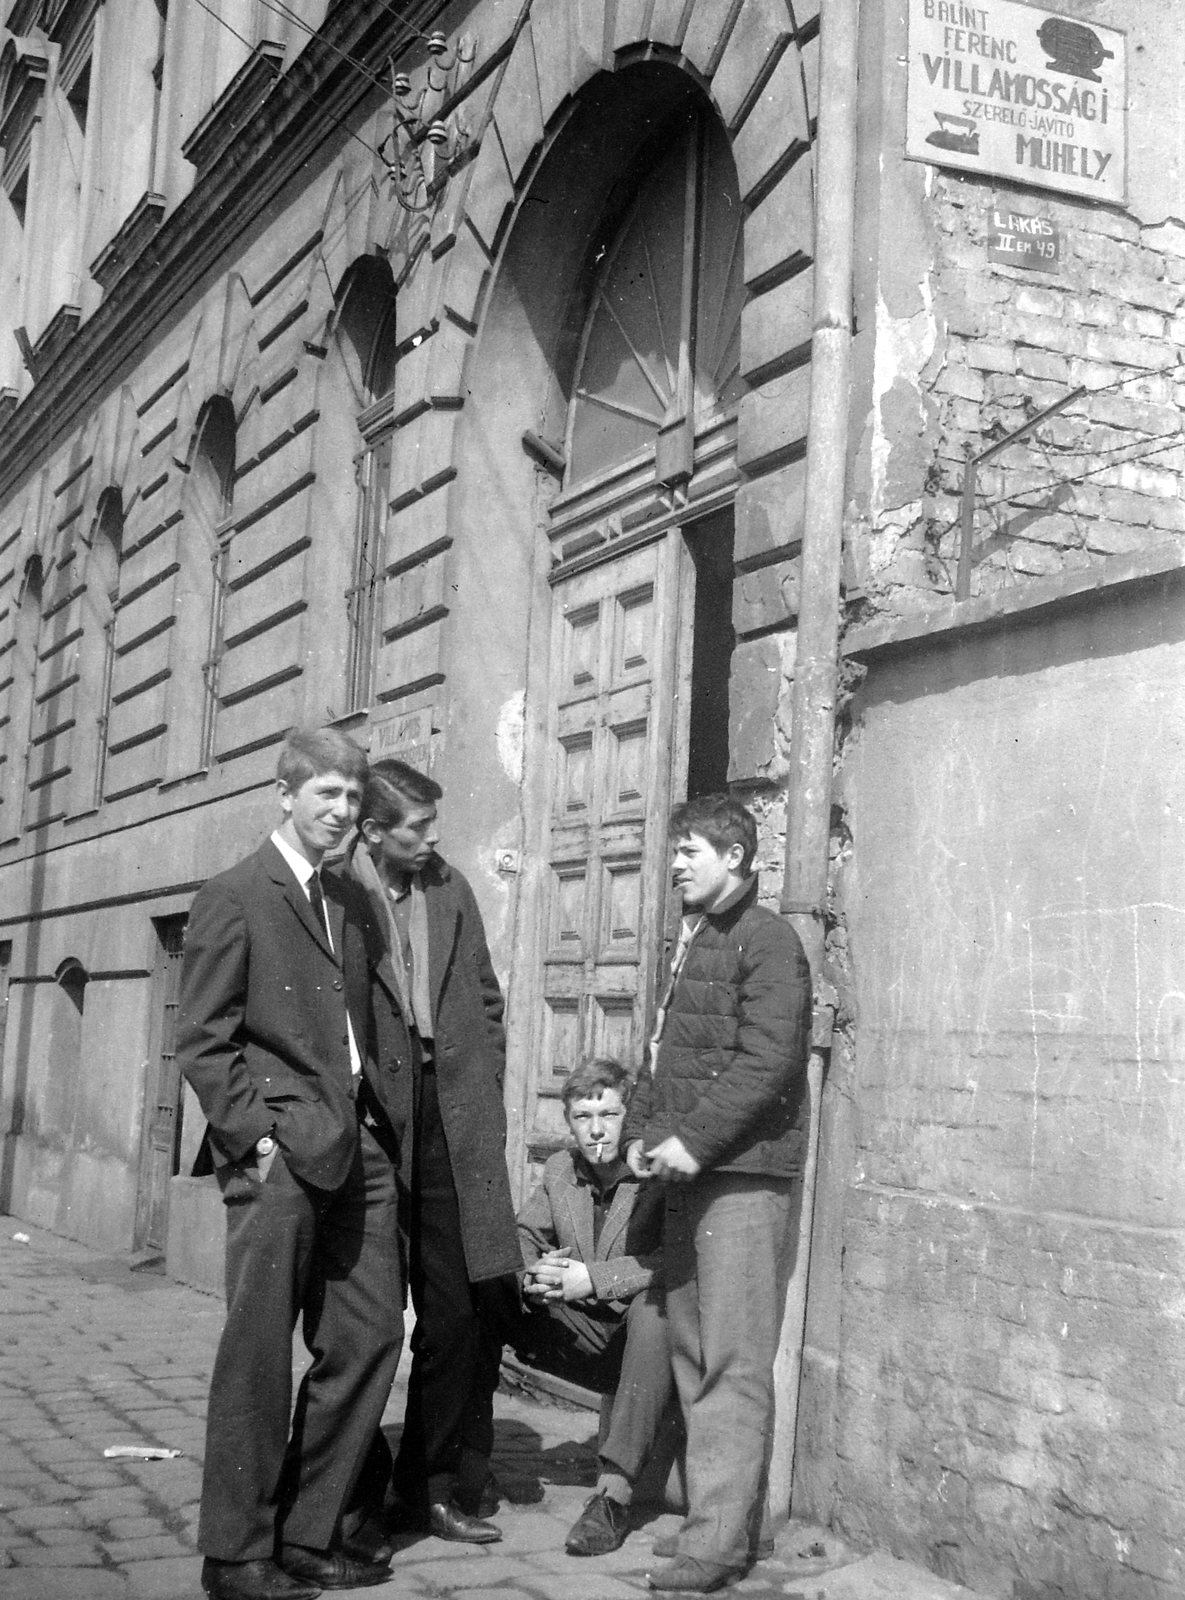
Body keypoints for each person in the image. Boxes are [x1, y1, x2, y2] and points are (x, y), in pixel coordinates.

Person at [178, 728, 408, 1600]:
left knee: (371, 1334)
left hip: (357, 1149)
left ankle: (308, 1532)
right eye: (327, 796)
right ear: (286, 794)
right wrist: (258, 1140)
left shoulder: (345, 900)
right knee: (257, 1356)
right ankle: (235, 1553)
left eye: (352, 799)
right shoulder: (237, 894)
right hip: (280, 1155)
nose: (343, 812)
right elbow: (203, 1040)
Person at [623, 794, 812, 1595]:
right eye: (674, 850)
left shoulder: (769, 941)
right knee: (693, 1352)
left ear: (735, 858)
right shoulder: (694, 937)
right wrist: (641, 1131)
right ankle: (718, 1529)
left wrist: (691, 1141)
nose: (674, 864)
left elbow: (766, 1062)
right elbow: (666, 1054)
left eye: (690, 850)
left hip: (741, 1178)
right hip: (690, 1177)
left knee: (731, 1361)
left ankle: (718, 1542)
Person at [344, 758, 521, 1543]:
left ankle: (428, 1486)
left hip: (448, 1111)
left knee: (454, 1311)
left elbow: (484, 996)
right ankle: (345, 1491)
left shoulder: (448, 887)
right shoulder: (337, 892)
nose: (432, 839)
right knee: (360, 1319)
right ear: (373, 831)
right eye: (416, 827)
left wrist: (482, 1080)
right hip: (370, 1117)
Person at [505, 1057, 672, 1557]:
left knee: (655, 1307)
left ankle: (612, 1497)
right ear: (569, 1122)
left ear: (629, 1119)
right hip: (577, 1336)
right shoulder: (560, 1169)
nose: (596, 1130)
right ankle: (460, 1471)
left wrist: (592, 1281)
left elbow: (671, 1262)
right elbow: (523, 1234)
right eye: (583, 1117)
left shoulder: (653, 1177)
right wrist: (531, 1276)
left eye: (610, 1115)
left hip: (636, 1346)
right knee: (484, 1291)